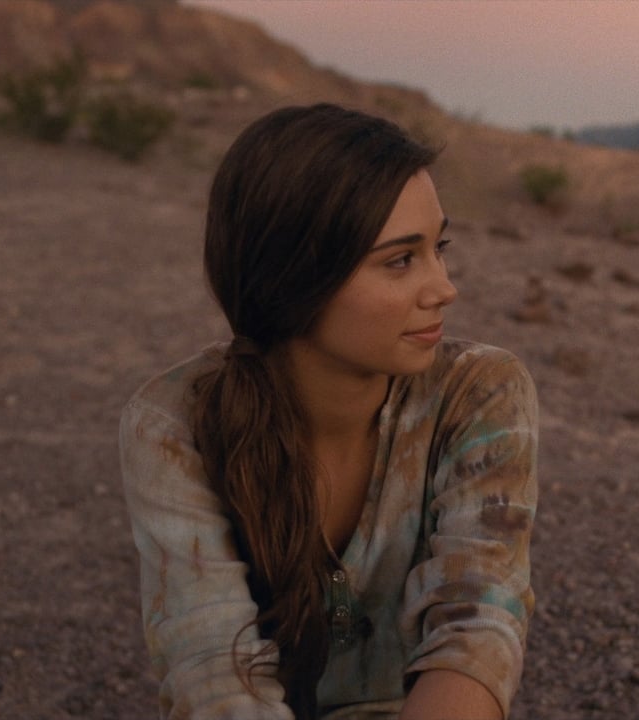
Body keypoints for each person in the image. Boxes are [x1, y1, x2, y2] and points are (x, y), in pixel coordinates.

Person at [119, 104, 538, 720]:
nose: (444, 288)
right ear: (295, 277)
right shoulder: (175, 424)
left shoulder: (478, 391)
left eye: (438, 248)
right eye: (400, 260)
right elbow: (213, 672)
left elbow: (478, 625)